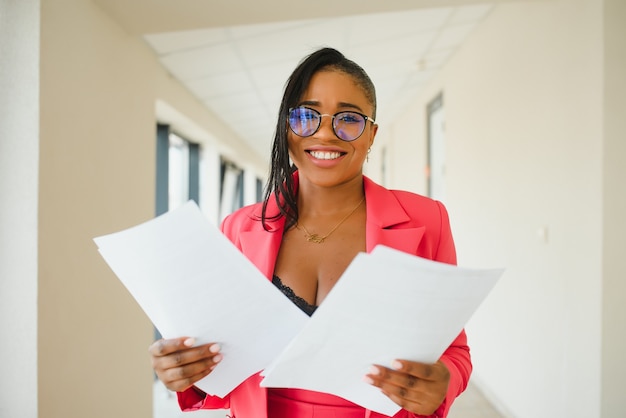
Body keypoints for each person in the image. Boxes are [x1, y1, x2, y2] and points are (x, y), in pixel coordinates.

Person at [150, 47, 471, 418]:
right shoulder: (239, 228)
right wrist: (182, 369)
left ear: (371, 135)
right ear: (288, 128)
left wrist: (443, 382)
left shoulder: (426, 221)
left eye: (348, 118)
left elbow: (455, 351)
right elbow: (217, 359)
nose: (324, 133)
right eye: (306, 115)